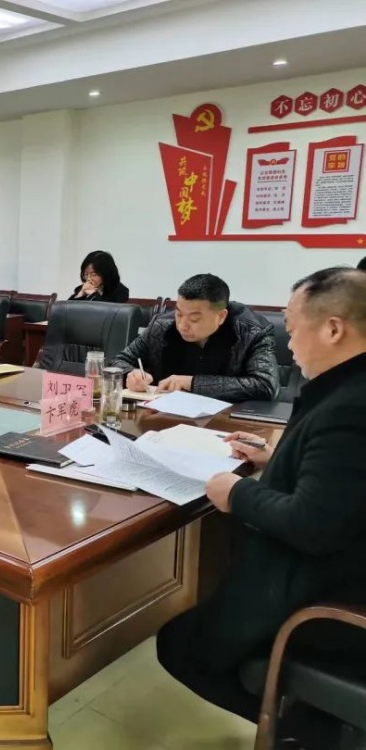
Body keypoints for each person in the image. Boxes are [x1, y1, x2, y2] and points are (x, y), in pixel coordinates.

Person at [157, 268, 366, 750]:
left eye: (292, 328)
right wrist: (276, 458)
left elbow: (313, 524)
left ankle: (304, 729)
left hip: (330, 601)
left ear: (333, 329)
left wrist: (237, 493)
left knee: (180, 645)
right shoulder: (349, 388)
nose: (289, 344)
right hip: (341, 566)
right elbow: (342, 481)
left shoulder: (351, 407)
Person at [111, 273, 278, 402]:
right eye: (179, 314)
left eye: (194, 319)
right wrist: (130, 374)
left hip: (226, 423)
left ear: (221, 316)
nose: (182, 325)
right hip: (164, 417)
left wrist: (192, 383)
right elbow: (119, 361)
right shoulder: (161, 326)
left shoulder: (252, 332)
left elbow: (265, 385)